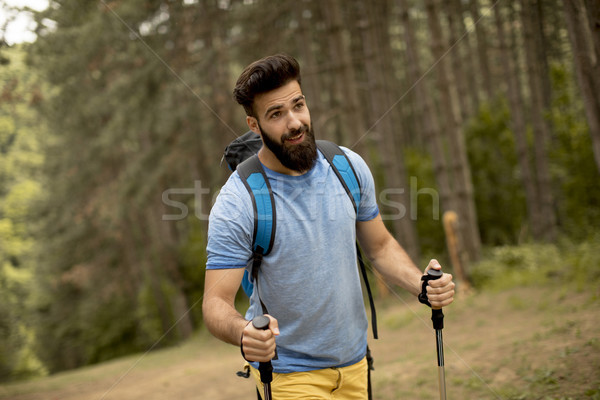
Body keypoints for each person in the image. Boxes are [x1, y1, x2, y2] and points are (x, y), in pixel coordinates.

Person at [202, 54, 455, 399]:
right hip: (288, 377)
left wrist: (421, 286)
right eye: (276, 114)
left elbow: (379, 247)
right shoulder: (238, 202)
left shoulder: (347, 166)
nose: (294, 122)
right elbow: (215, 301)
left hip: (355, 364)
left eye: (298, 105)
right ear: (254, 125)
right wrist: (244, 332)